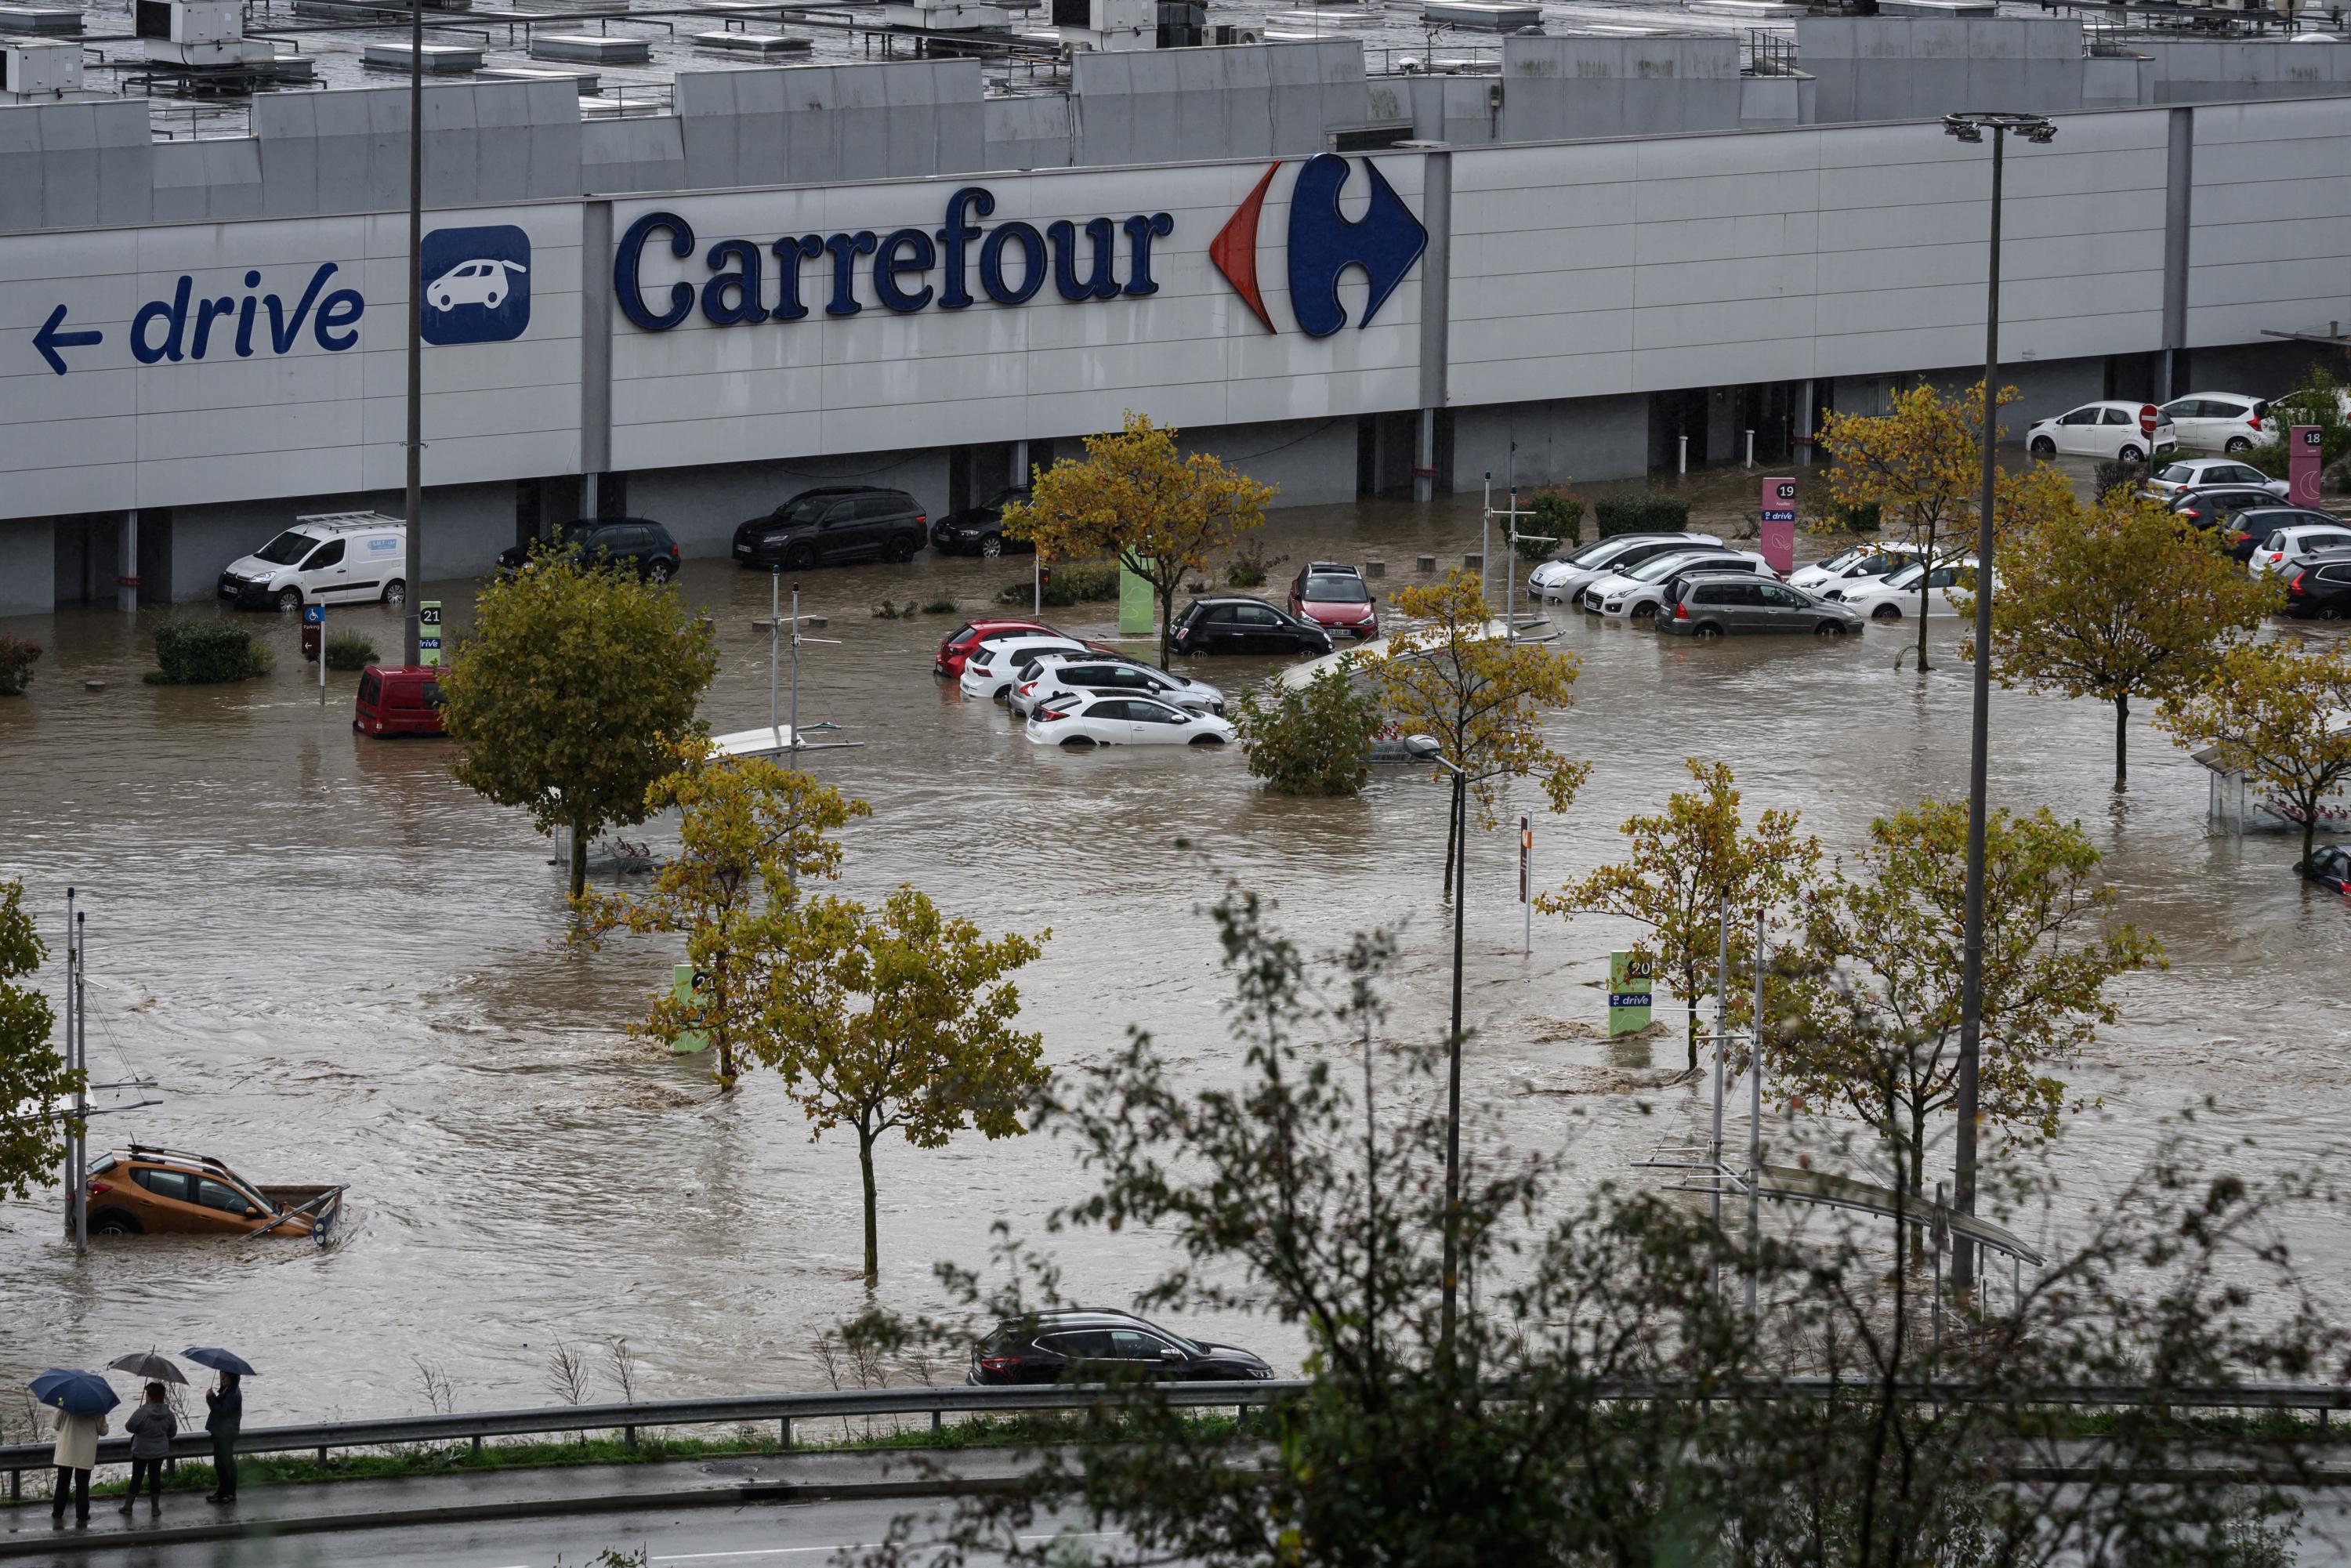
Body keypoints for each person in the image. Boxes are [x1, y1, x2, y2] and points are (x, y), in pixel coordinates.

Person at [121, 1382, 176, 1517]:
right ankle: (155, 1509)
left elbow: (129, 1427)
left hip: (141, 1451)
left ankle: (128, 1507)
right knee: (155, 1478)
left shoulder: (142, 1412)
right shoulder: (168, 1414)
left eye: (147, 1393)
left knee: (137, 1478)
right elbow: (172, 1433)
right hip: (159, 1452)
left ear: (150, 1396)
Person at [48, 1404, 107, 1527]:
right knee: (82, 1485)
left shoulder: (66, 1406)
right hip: (85, 1454)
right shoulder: (97, 1409)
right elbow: (104, 1431)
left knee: (62, 1483)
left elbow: (56, 1425)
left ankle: (58, 1512)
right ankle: (82, 1514)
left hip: (66, 1451)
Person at [202, 1372, 241, 1505]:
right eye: (221, 1376)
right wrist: (213, 1397)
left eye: (226, 1376)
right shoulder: (227, 1391)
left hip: (226, 1433)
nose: (223, 1379)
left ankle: (230, 1493)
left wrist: (211, 1398)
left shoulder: (233, 1394)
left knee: (226, 1463)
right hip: (220, 1432)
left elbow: (222, 1413)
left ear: (233, 1377)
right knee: (220, 1464)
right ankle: (222, 1491)